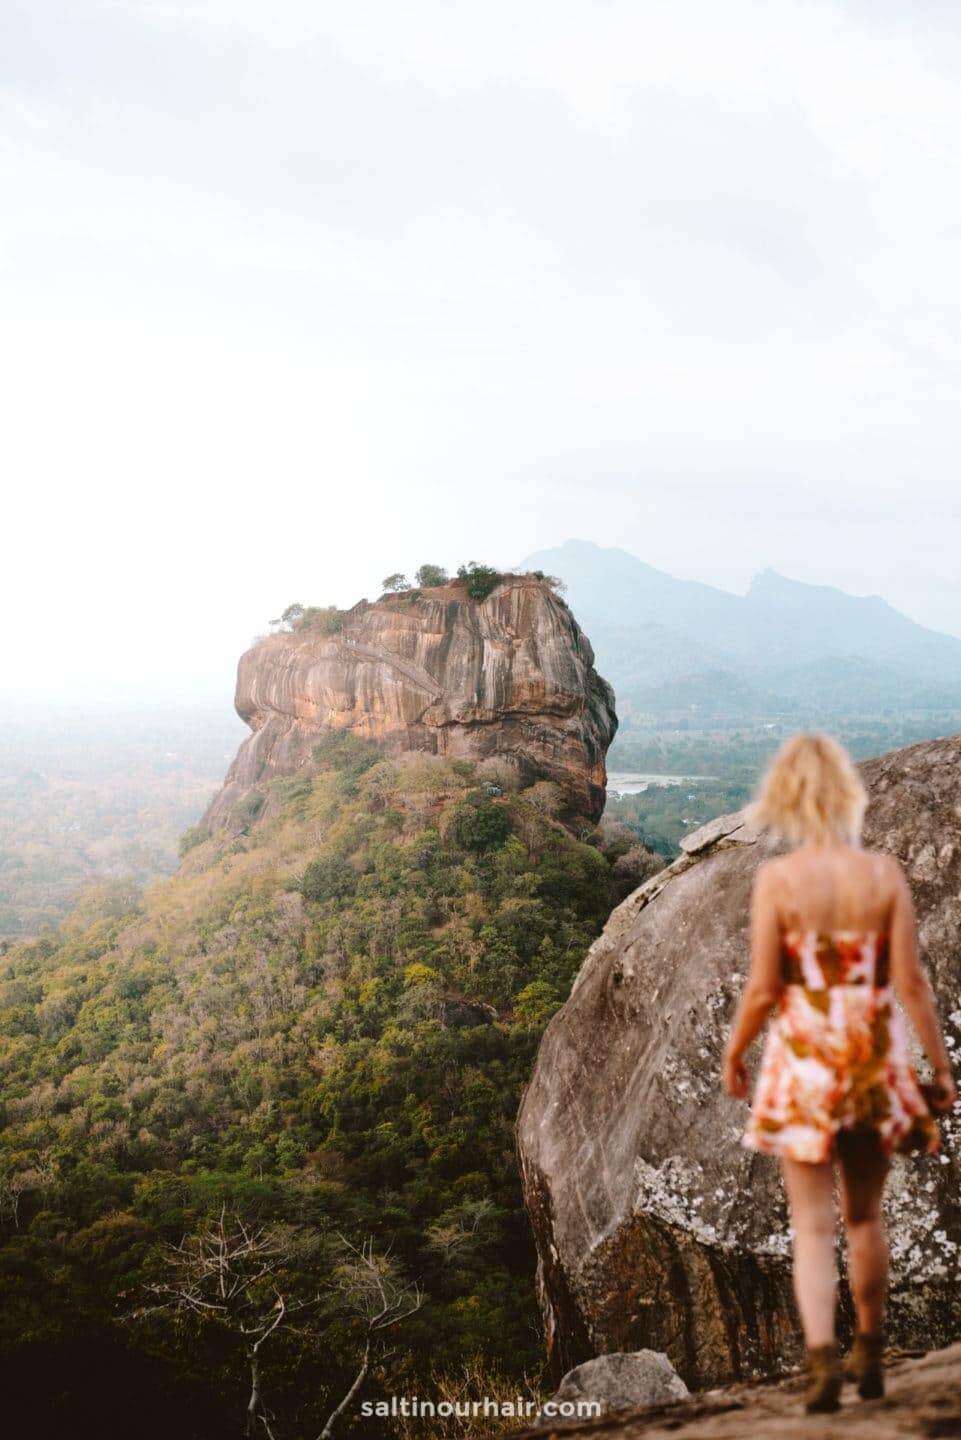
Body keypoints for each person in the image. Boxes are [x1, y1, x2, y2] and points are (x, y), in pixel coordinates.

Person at [721, 732, 956, 1413]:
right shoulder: (880, 874)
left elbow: (764, 987)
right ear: (845, 796)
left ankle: (822, 1363)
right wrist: (935, 1070)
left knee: (812, 1225)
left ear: (788, 798)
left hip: (805, 1060)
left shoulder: (780, 881)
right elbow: (911, 982)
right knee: (864, 1216)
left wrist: (736, 1052)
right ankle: (872, 1353)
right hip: (871, 1055)